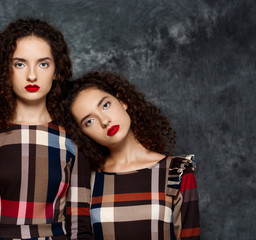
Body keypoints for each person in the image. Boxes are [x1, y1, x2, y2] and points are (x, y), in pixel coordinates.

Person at [0, 19, 93, 240]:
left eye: (43, 64)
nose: (32, 75)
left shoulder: (74, 142)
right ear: (5, 71)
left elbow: (80, 226)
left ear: (57, 71)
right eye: (20, 64)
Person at [61, 71, 200, 239]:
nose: (104, 121)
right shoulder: (85, 181)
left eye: (105, 105)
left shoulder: (176, 173)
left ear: (122, 101)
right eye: (89, 121)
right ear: (83, 133)